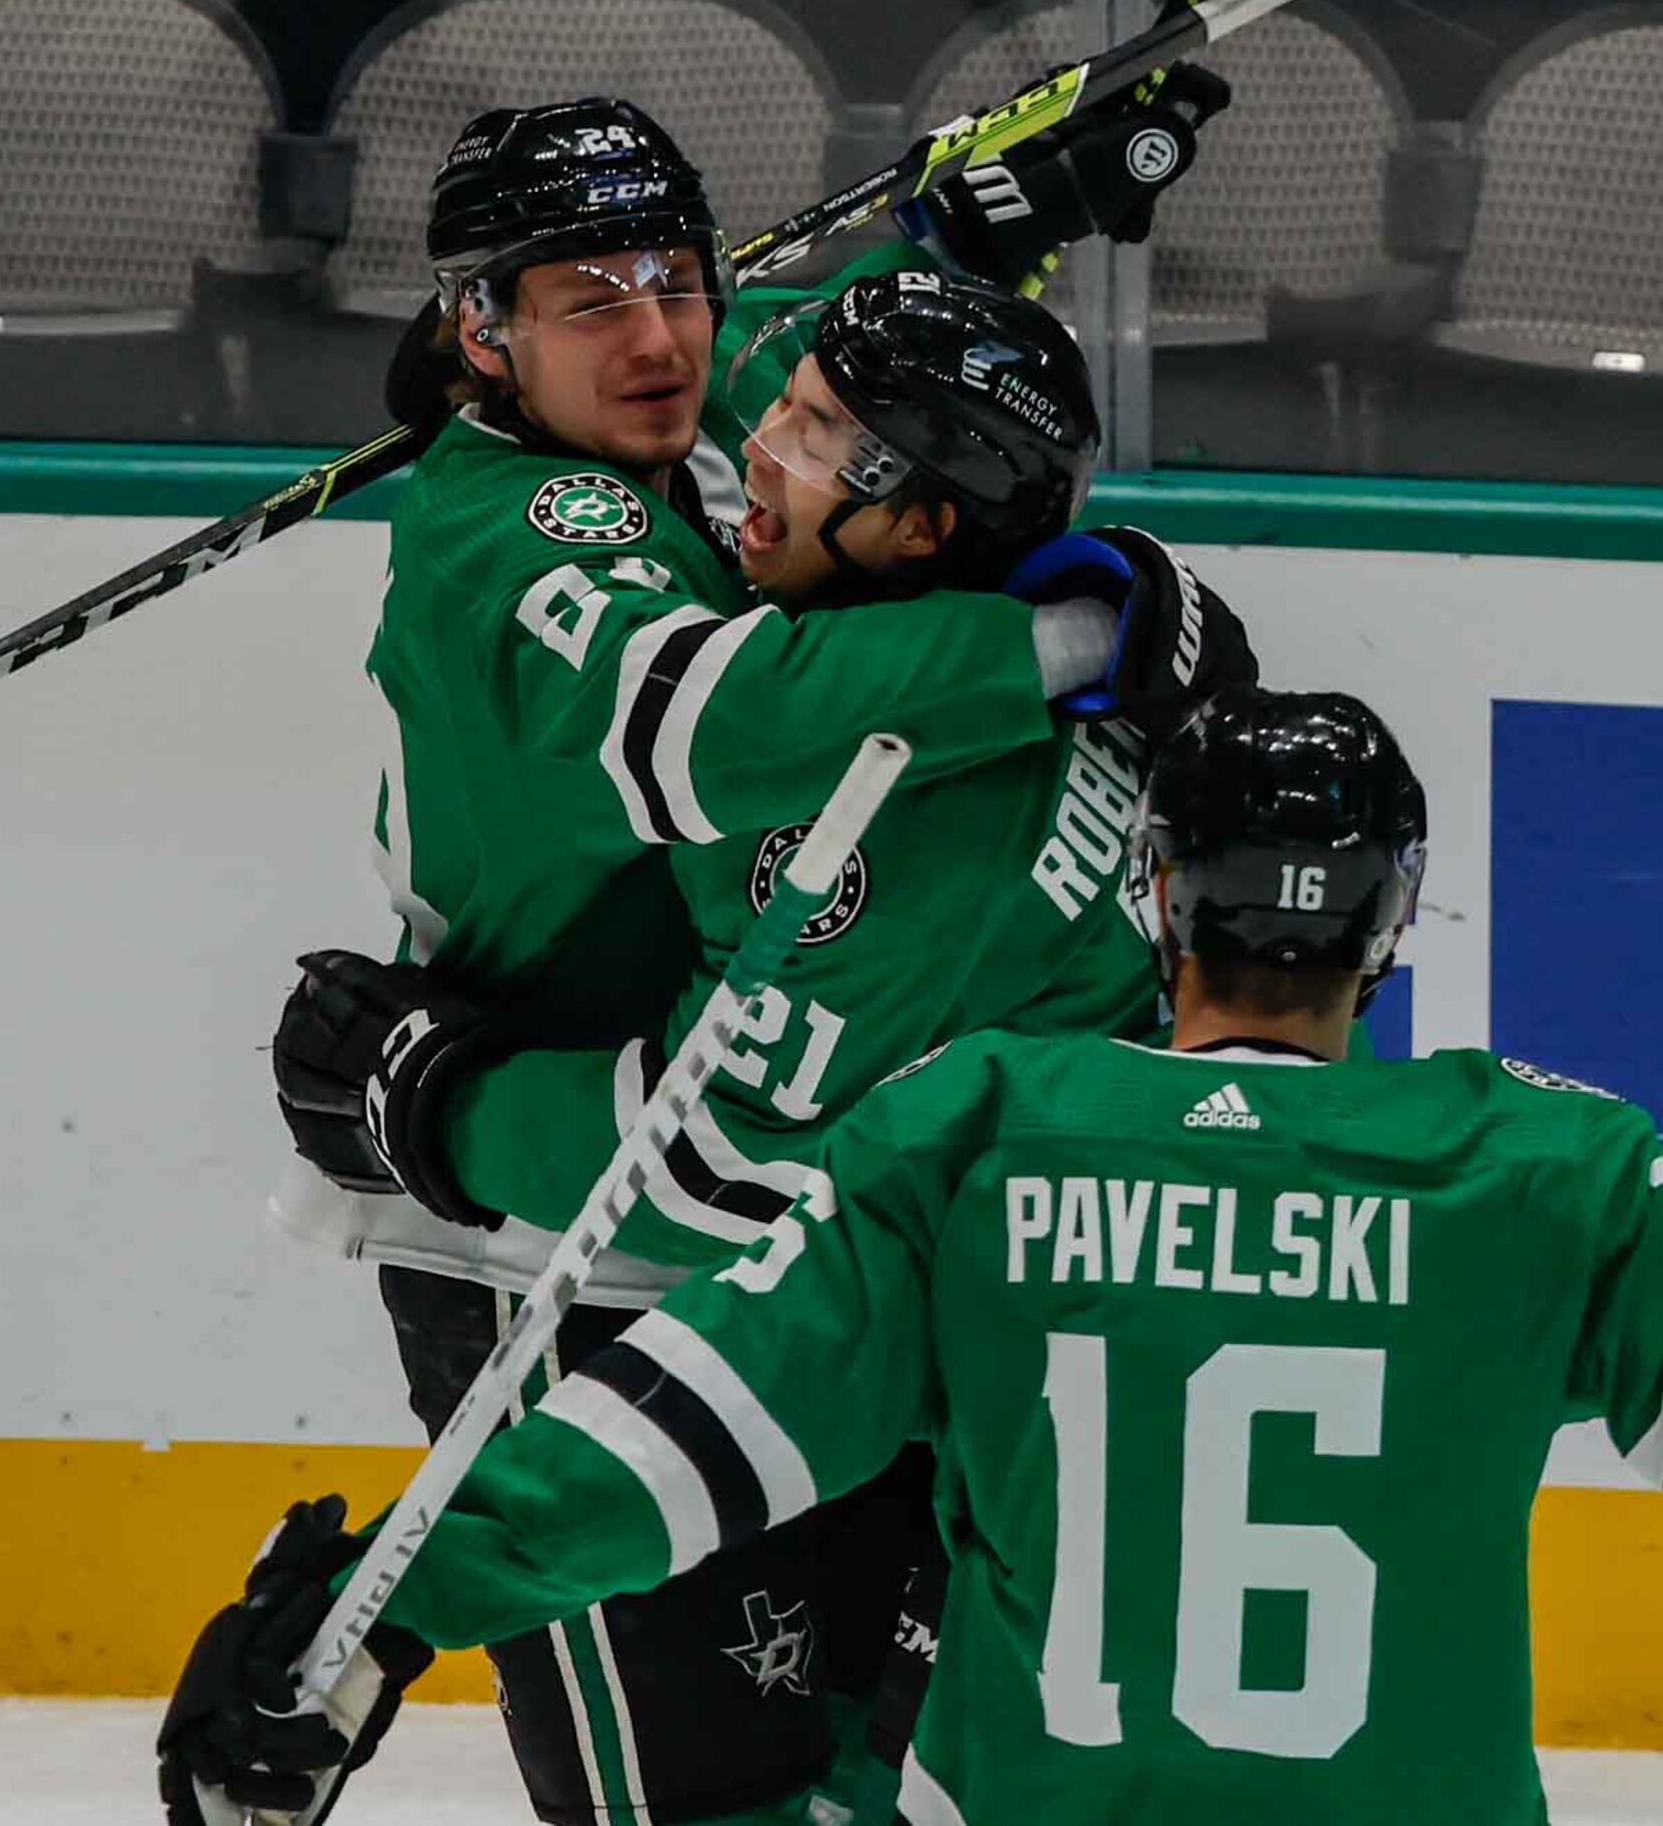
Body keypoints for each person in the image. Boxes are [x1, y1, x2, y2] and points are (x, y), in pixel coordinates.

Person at [166, 687, 1663, 1826]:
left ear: (1157, 895)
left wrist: (384, 1602)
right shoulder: (1535, 1172)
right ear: (1387, 922)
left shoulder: (970, 1128)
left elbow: (674, 1438)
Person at [183, 89, 1236, 1826]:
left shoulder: (678, 405)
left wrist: (964, 236)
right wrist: (1067, 629)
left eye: (675, 276)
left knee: (869, 1776)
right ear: (481, 326)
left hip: (773, 1237)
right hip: (549, 1235)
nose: (666, 338)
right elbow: (706, 720)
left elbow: (838, 387)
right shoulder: (517, 534)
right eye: (590, 300)